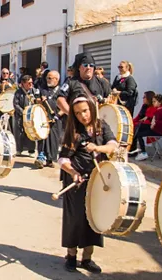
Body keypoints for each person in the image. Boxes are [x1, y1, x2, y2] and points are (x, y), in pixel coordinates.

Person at [58, 93, 117, 274]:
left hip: (96, 180)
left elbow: (113, 145)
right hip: (76, 181)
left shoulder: (101, 126)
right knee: (75, 219)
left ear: (92, 108)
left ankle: (87, 258)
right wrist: (73, 172)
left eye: (85, 111)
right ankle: (71, 256)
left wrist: (97, 148)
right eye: (77, 113)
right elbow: (62, 159)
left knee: (93, 219)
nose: (83, 116)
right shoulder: (73, 132)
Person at [34, 70, 66, 168]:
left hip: (56, 118)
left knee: (53, 139)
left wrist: (57, 116)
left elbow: (65, 107)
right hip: (44, 117)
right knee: (42, 137)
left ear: (56, 79)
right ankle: (41, 157)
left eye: (50, 78)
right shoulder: (43, 89)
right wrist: (40, 100)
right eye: (47, 77)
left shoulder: (61, 91)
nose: (47, 80)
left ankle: (50, 159)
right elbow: (36, 100)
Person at [129, 94, 162, 161]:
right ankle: (137, 149)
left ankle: (143, 152)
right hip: (153, 128)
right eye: (152, 101)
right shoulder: (159, 109)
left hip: (157, 131)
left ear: (160, 102)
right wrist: (149, 118)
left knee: (139, 132)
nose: (153, 103)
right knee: (138, 127)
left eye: (154, 101)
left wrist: (156, 122)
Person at [12, 75, 37, 156]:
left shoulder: (34, 91)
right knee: (19, 133)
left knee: (31, 132)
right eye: (29, 83)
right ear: (23, 83)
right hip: (20, 116)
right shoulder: (18, 92)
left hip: (31, 116)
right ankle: (19, 149)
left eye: (31, 83)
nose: (31, 84)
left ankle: (31, 150)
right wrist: (23, 112)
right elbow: (16, 104)